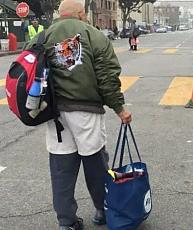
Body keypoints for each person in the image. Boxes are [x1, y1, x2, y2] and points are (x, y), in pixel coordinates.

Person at [25, 0, 132, 229]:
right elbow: (107, 78)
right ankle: (102, 211)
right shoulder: (94, 36)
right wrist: (119, 108)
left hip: (55, 115)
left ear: (60, 14)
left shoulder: (42, 37)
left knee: (61, 167)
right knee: (95, 163)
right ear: (81, 14)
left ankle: (66, 221)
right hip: (86, 112)